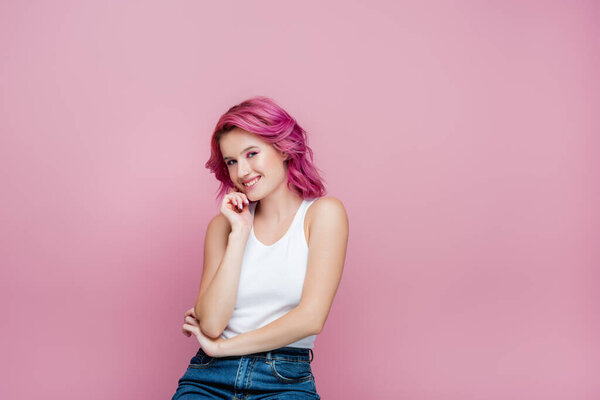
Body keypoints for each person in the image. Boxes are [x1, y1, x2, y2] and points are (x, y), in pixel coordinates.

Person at [171, 96, 349, 399]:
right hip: (209, 377)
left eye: (252, 153)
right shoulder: (223, 226)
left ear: (282, 148)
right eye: (231, 161)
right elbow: (212, 323)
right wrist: (239, 235)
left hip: (283, 380)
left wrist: (224, 347)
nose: (241, 172)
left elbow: (311, 317)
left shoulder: (323, 214)